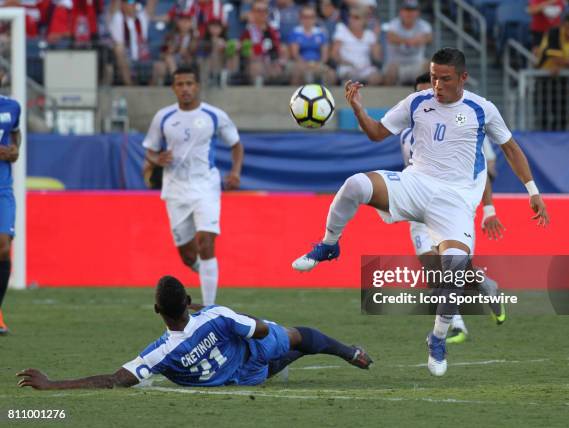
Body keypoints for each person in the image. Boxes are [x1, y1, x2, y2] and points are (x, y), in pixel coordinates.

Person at [292, 47, 550, 377]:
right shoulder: (417, 103)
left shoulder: (480, 109)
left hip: (455, 201)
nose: (437, 85)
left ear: (463, 78)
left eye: (445, 79)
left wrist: (533, 192)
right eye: (433, 77)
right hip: (415, 184)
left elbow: (511, 149)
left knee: (453, 272)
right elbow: (376, 134)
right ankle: (329, 244)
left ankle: (438, 338)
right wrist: (358, 108)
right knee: (355, 184)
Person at [16, 275, 373, 389]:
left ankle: (295, 355)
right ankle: (349, 352)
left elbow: (112, 380)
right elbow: (261, 330)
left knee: (275, 358)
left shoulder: (158, 352)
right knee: (297, 336)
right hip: (250, 353)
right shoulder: (215, 316)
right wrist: (240, 318)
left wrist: (52, 384)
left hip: (245, 379)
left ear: (157, 310)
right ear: (188, 301)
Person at [399, 73, 506, 344]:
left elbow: (477, 170)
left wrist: (489, 209)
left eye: (433, 91)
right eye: (421, 94)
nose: (430, 98)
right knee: (432, 266)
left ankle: (485, 285)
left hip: (450, 206)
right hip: (419, 207)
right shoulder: (405, 134)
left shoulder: (462, 125)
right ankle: (456, 326)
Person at [143, 65, 244, 307]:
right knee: (188, 256)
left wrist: (235, 172)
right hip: (175, 190)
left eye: (189, 84)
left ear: (197, 86)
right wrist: (157, 159)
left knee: (206, 241)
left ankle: (210, 308)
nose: (185, 89)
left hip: (205, 185)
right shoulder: (163, 117)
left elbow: (236, 144)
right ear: (173, 88)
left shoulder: (213, 115)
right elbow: (150, 150)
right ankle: (206, 273)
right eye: (180, 84)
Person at [0, 95, 21, 335]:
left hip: (2, 187)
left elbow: (15, 132)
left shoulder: (12, 106)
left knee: (3, 246)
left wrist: (15, 148)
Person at [383, 0, 432, 86]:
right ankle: (388, 96)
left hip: (416, 65)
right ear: (401, 12)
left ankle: (427, 96)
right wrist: (410, 41)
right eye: (406, 10)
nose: (409, 13)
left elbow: (429, 38)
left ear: (418, 12)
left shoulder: (424, 25)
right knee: (390, 70)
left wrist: (418, 40)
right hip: (398, 66)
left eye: (412, 10)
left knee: (432, 65)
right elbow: (391, 37)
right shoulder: (393, 24)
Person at [331, 6, 382, 85]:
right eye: (350, 16)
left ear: (364, 20)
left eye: (356, 17)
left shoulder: (370, 34)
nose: (351, 19)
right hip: (347, 68)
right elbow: (334, 54)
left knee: (377, 78)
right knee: (349, 78)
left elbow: (377, 57)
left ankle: (368, 95)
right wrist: (345, 62)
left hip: (365, 69)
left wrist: (376, 38)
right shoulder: (342, 30)